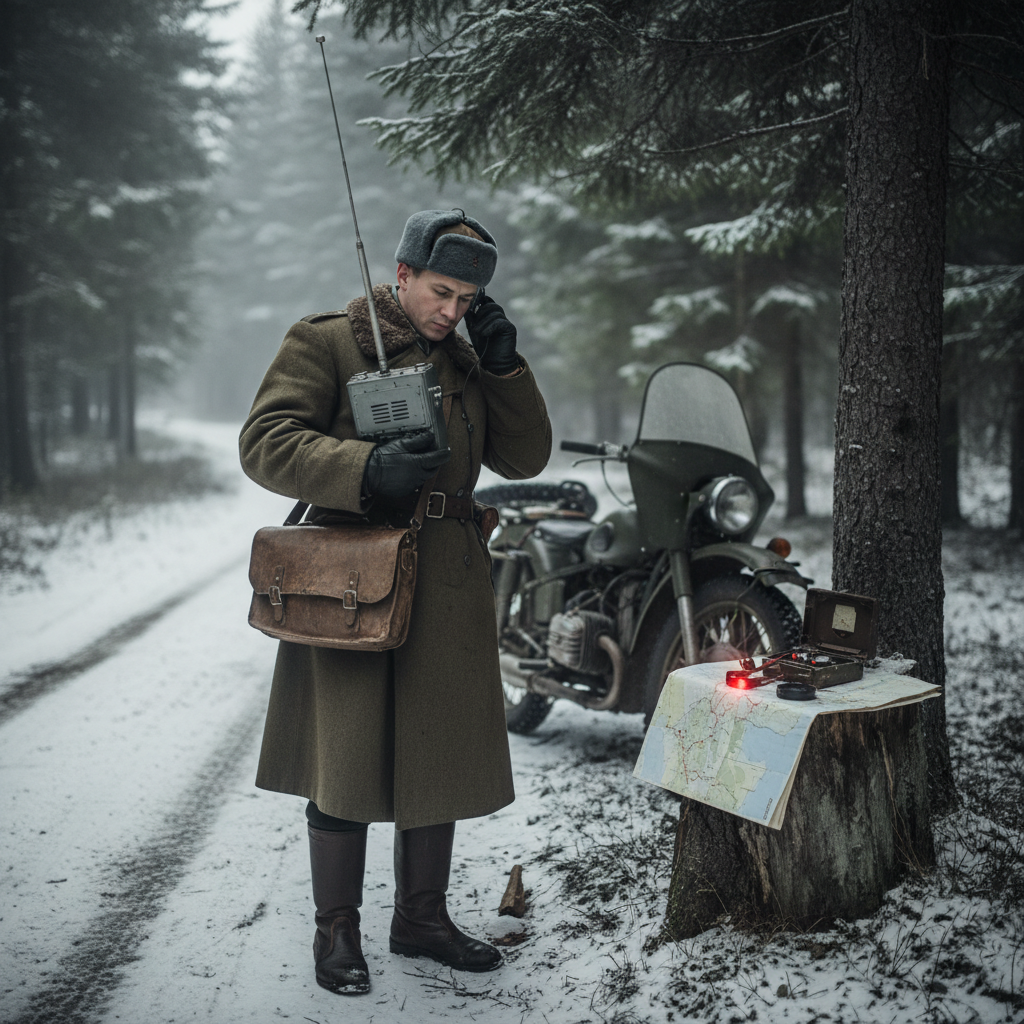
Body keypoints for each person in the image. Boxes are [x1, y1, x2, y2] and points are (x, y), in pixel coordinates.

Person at [239, 209, 552, 996]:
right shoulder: (330, 339)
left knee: (435, 750)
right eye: (441, 291)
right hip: (351, 573)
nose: (451, 311)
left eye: (467, 298)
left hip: (446, 573)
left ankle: (421, 918)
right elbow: (265, 440)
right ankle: (335, 930)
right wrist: (361, 469)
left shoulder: (471, 361)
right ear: (403, 275)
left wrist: (508, 370)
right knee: (343, 756)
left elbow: (524, 455)